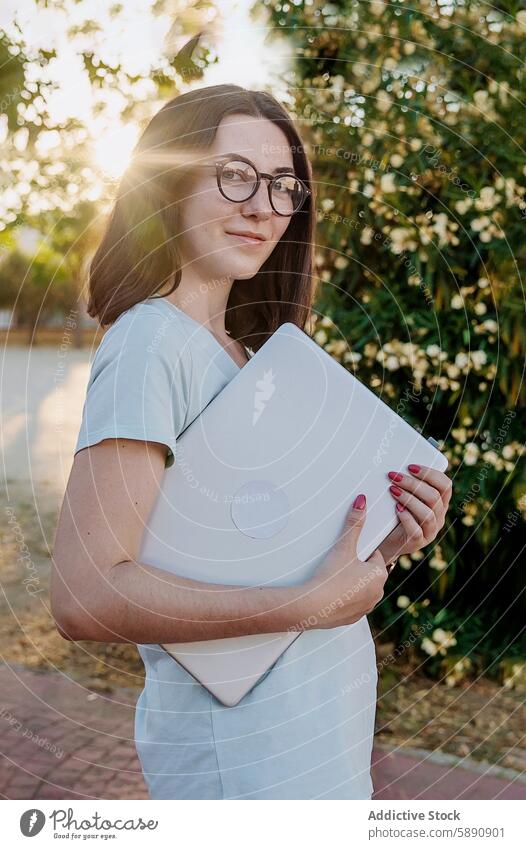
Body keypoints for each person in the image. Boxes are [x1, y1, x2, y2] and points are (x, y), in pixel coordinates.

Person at [51, 84, 453, 800]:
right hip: (244, 770)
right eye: (235, 174)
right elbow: (85, 595)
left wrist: (384, 541)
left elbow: (267, 556)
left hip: (317, 749)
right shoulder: (150, 343)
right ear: (166, 184)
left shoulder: (247, 357)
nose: (264, 206)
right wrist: (307, 602)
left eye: (283, 186)